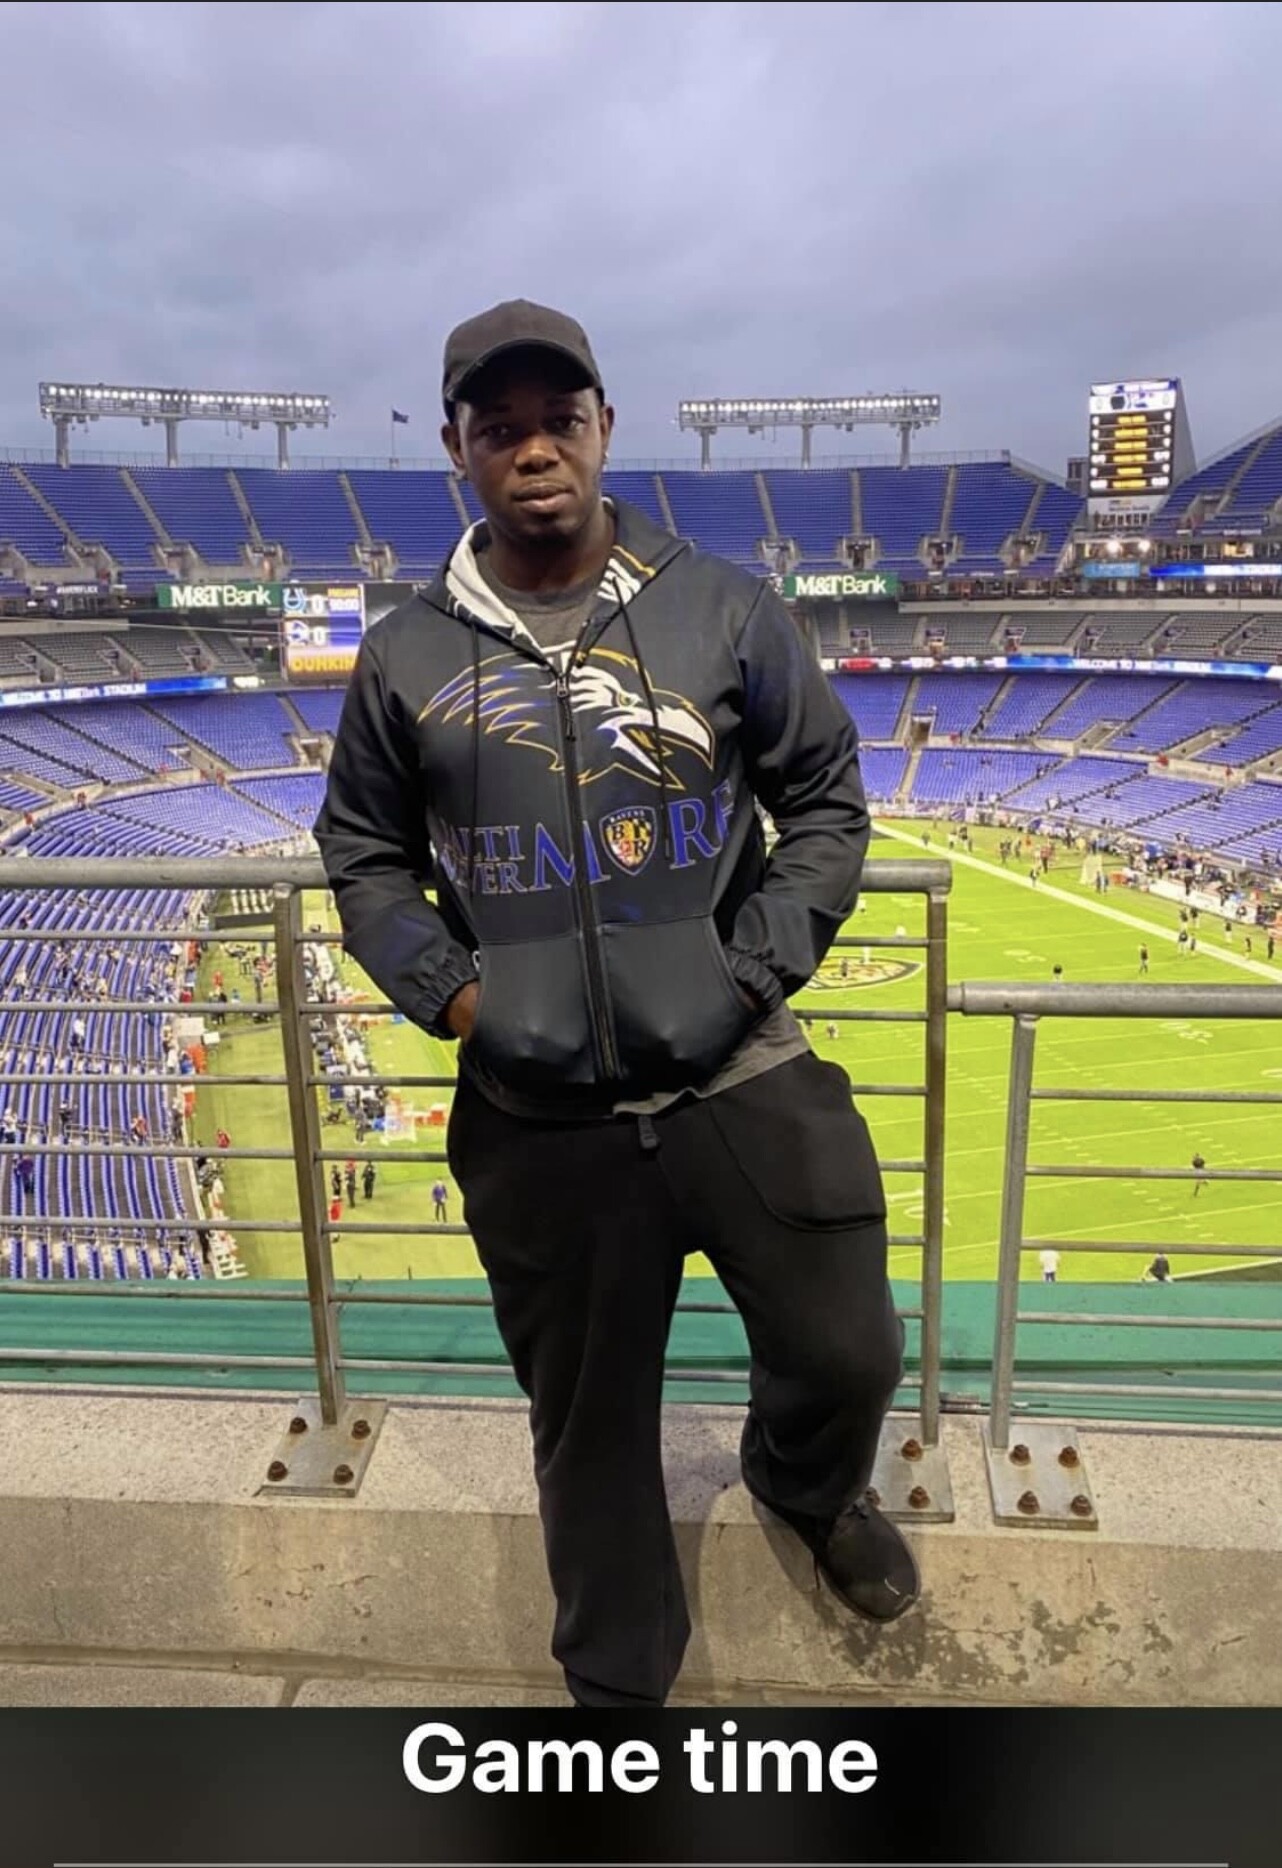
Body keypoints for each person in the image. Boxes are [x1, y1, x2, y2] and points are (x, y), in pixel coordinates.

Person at [314, 298, 913, 1710]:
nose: (534, 449)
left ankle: (804, 1483)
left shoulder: (723, 605)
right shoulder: (404, 651)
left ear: (603, 427)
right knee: (586, 1427)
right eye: (500, 427)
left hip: (737, 1065)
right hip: (533, 1102)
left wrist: (749, 968)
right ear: (458, 448)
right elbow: (364, 853)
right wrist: (460, 998)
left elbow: (826, 800)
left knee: (848, 1348)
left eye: (558, 420)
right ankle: (618, 1688)